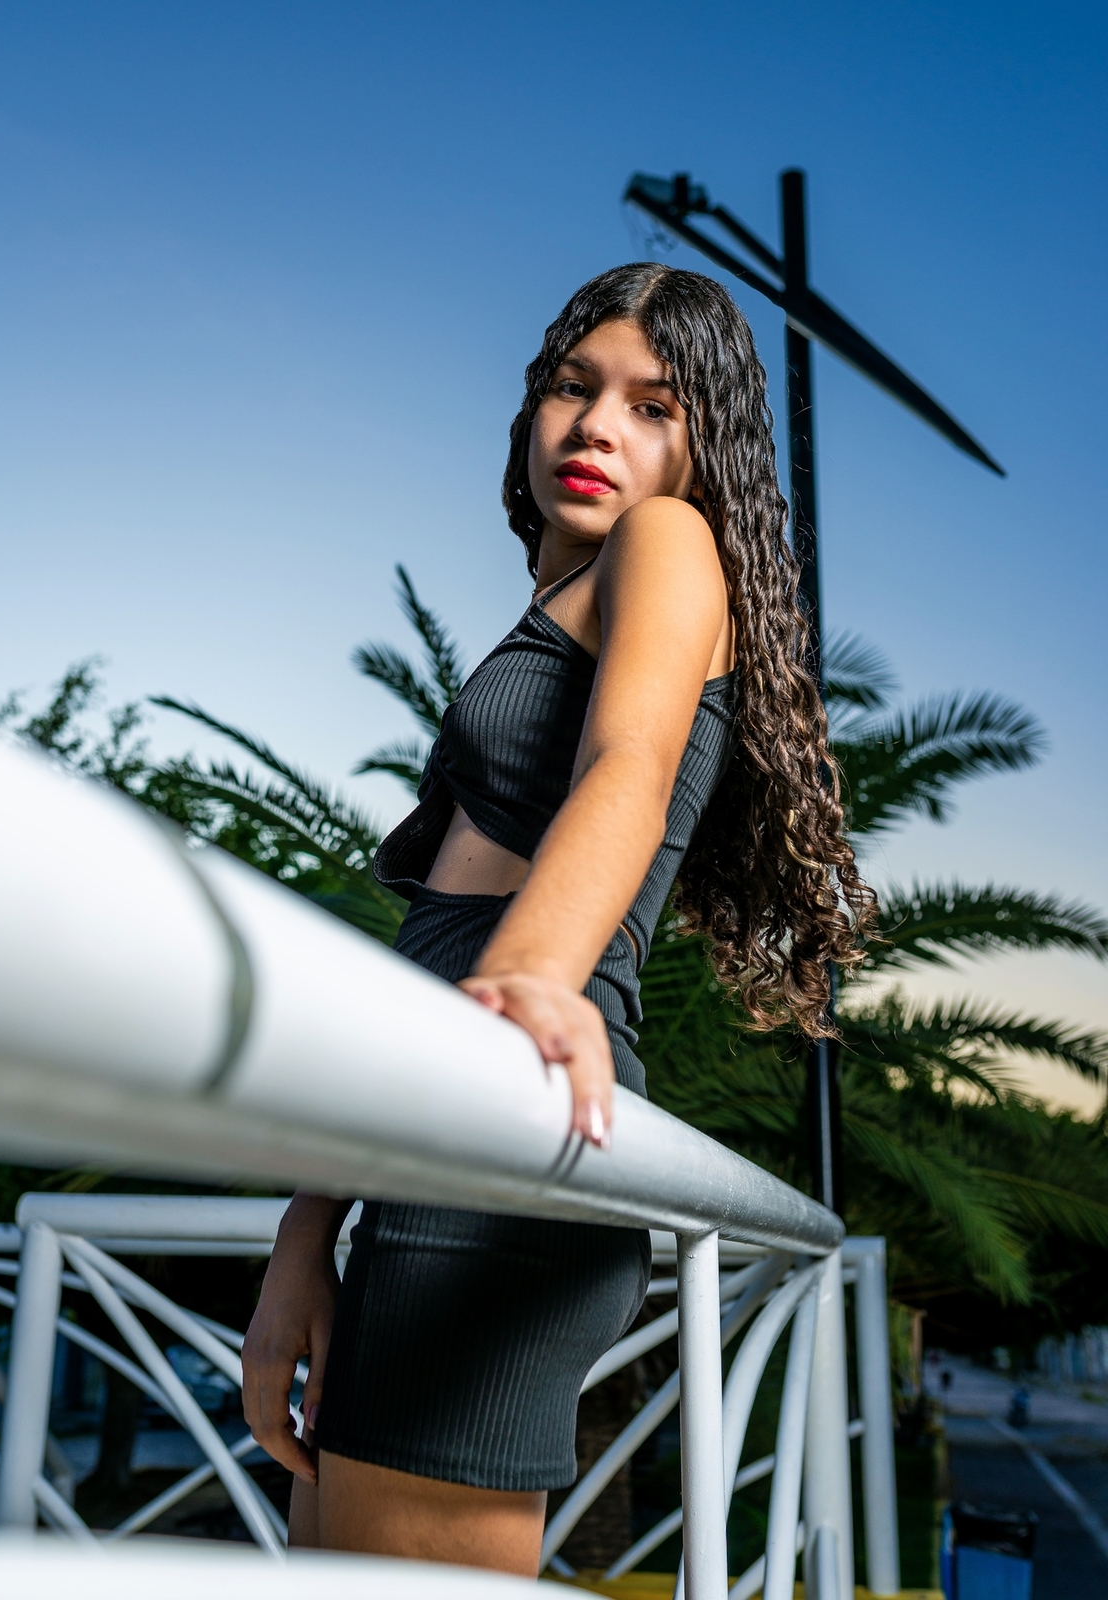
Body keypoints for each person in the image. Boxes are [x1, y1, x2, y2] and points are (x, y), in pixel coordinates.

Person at [241, 263, 875, 1575]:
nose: (596, 428)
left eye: (654, 406)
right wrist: (306, 1234)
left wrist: (531, 979)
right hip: (431, 1119)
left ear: (707, 453)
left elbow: (628, 770)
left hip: (508, 1104)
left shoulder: (668, 541)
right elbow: (431, 945)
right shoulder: (554, 608)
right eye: (571, 387)